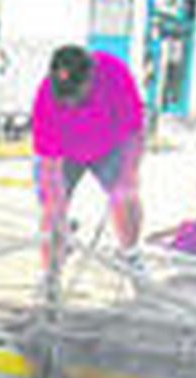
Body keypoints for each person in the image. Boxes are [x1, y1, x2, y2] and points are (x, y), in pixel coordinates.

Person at [31, 44, 147, 294]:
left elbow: (136, 131)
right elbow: (49, 166)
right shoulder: (45, 98)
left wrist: (128, 175)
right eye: (64, 95)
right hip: (67, 152)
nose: (69, 101)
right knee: (51, 212)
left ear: (91, 77)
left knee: (125, 198)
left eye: (75, 93)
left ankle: (131, 254)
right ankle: (50, 272)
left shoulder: (115, 75)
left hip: (110, 145)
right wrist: (58, 208)